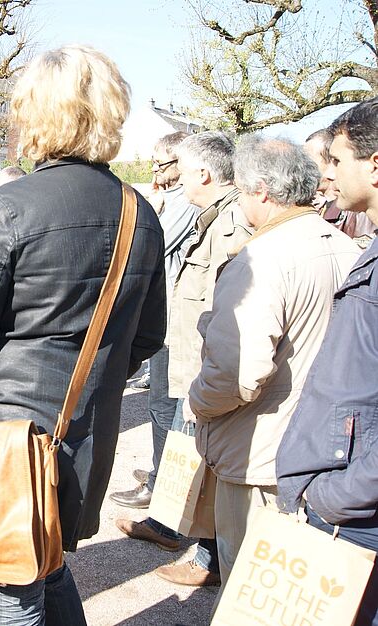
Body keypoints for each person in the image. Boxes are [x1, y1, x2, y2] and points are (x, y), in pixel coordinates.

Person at [0, 45, 166, 625]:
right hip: (82, 430)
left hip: (6, 438)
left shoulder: (8, 207)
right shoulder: (140, 211)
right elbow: (148, 337)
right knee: (46, 564)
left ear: (35, 114)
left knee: (14, 589)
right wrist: (91, 384)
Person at [185, 136, 360, 596]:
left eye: (241, 191)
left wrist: (197, 403)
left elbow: (237, 373)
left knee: (252, 595)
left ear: (262, 191)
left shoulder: (261, 259)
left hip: (260, 455)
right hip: (322, 452)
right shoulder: (348, 249)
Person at [118, 131, 252, 587]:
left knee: (208, 452)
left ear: (202, 172)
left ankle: (208, 557)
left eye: (178, 167)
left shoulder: (235, 219)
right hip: (193, 352)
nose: (171, 178)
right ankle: (185, 534)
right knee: (189, 443)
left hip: (210, 359)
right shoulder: (211, 214)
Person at [277, 98, 378, 626]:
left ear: (375, 163)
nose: (326, 174)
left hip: (357, 513)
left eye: (336, 160)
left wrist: (337, 496)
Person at [110, 131, 198, 510]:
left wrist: (153, 209)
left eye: (161, 163)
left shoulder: (183, 203)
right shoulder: (175, 198)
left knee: (167, 406)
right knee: (161, 404)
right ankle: (161, 473)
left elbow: (150, 243)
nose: (156, 170)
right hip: (170, 314)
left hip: (178, 321)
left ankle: (165, 489)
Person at [305, 128, 376, 247]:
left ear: (332, 161)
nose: (302, 169)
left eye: (308, 162)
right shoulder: (317, 208)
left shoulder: (359, 210)